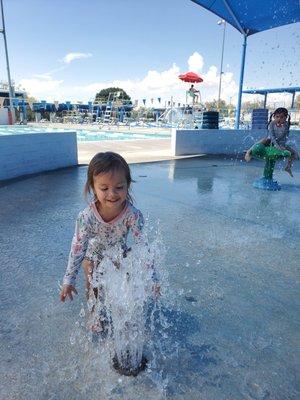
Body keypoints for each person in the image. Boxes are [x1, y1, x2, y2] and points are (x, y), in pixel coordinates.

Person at [60, 151, 160, 329]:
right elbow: (77, 248)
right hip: (93, 254)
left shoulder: (133, 215)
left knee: (127, 280)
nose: (112, 194)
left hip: (118, 253)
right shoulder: (87, 217)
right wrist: (69, 280)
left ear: (128, 185)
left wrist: (152, 278)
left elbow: (142, 246)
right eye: (104, 188)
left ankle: (124, 311)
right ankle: (94, 314)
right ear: (93, 187)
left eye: (119, 187)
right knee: (93, 285)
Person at [244, 107, 299, 177]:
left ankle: (288, 167)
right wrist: (277, 147)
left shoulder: (286, 125)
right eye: (277, 117)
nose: (279, 119)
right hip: (270, 141)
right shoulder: (272, 124)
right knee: (265, 139)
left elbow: (283, 137)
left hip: (280, 143)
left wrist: (281, 146)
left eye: (282, 117)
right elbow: (272, 137)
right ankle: (249, 151)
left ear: (286, 118)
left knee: (295, 154)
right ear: (274, 117)